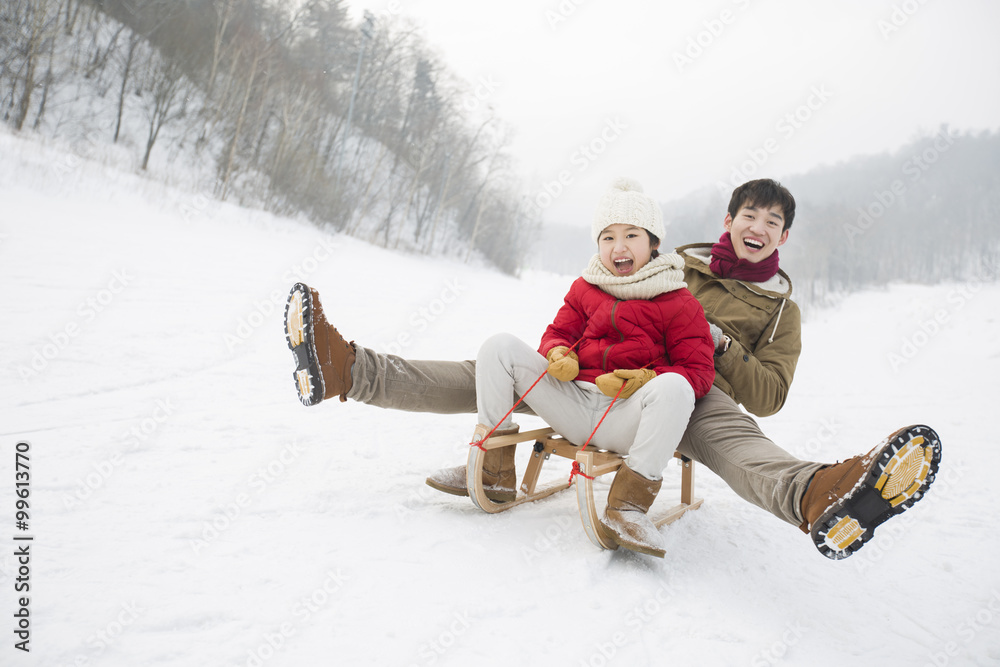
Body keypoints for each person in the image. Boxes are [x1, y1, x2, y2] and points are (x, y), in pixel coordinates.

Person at [283, 178, 942, 561]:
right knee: (488, 365)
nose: (758, 227)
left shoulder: (778, 312)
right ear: (728, 220)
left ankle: (818, 494)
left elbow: (769, 394)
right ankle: (348, 369)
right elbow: (584, 304)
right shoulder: (670, 259)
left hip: (695, 389)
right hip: (605, 380)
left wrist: (716, 342)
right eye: (749, 214)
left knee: (744, 445)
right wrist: (567, 351)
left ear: (782, 238)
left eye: (773, 222)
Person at [425, 177, 715, 557]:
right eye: (608, 237)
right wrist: (559, 353)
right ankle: (492, 471)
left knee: (676, 387)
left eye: (631, 235)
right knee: (499, 347)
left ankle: (628, 507)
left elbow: (698, 373)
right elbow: (556, 333)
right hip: (573, 404)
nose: (619, 247)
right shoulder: (585, 287)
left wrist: (646, 379)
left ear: (654, 243)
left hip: (625, 420)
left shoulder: (678, 301)